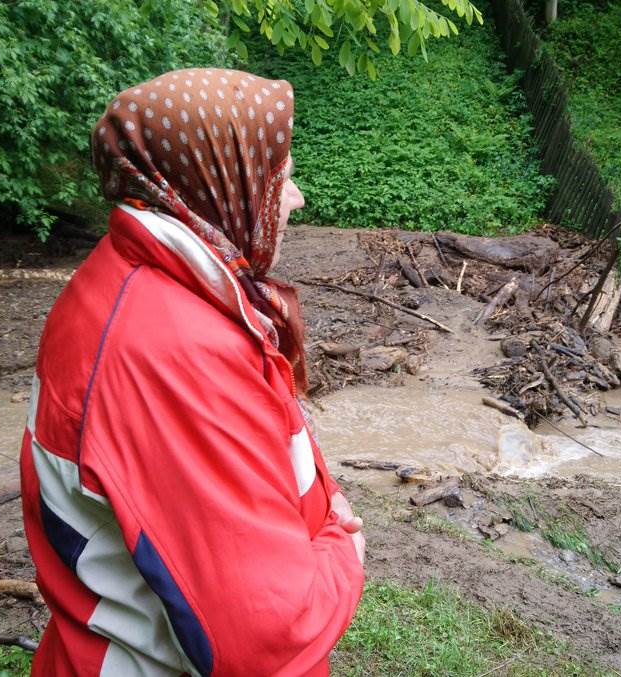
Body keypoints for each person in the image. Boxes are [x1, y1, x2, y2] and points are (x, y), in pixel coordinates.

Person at [19, 68, 366, 677]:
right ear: (220, 185)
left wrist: (323, 505)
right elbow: (263, 638)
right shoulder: (171, 351)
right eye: (280, 177)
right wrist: (344, 550)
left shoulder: (154, 283)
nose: (296, 198)